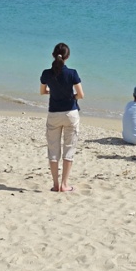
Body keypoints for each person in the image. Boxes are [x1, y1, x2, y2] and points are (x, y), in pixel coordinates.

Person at [39, 42, 84, 192]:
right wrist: (71, 96)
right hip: (70, 113)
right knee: (68, 149)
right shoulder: (72, 73)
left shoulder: (46, 73)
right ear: (67, 56)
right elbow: (81, 95)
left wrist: (54, 92)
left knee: (53, 149)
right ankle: (65, 184)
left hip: (54, 113)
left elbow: (42, 91)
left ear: (53, 55)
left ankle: (55, 184)